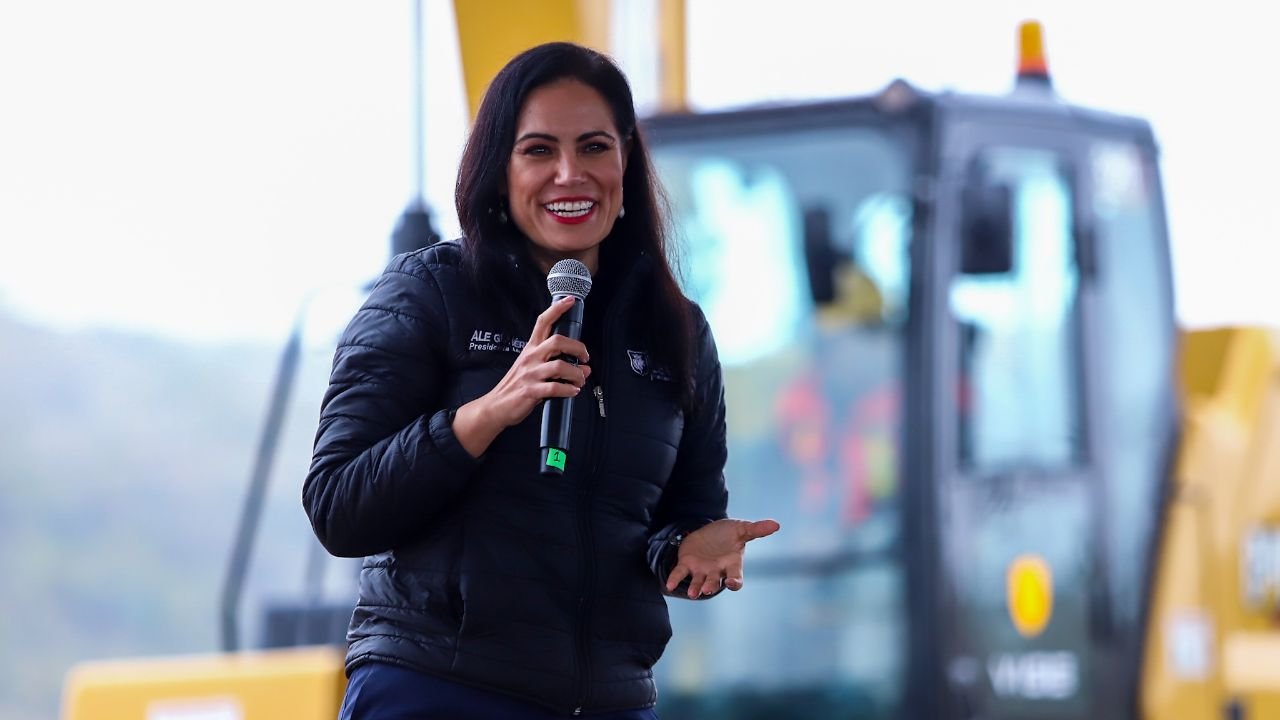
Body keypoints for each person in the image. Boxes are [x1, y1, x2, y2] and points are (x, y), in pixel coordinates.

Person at [303, 41, 780, 719]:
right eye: (537, 151)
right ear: (500, 170)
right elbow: (337, 505)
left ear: (626, 165)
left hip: (610, 700)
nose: (568, 173)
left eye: (593, 147)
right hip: (441, 689)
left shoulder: (676, 329)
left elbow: (681, 513)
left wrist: (691, 547)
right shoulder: (429, 292)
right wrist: (489, 412)